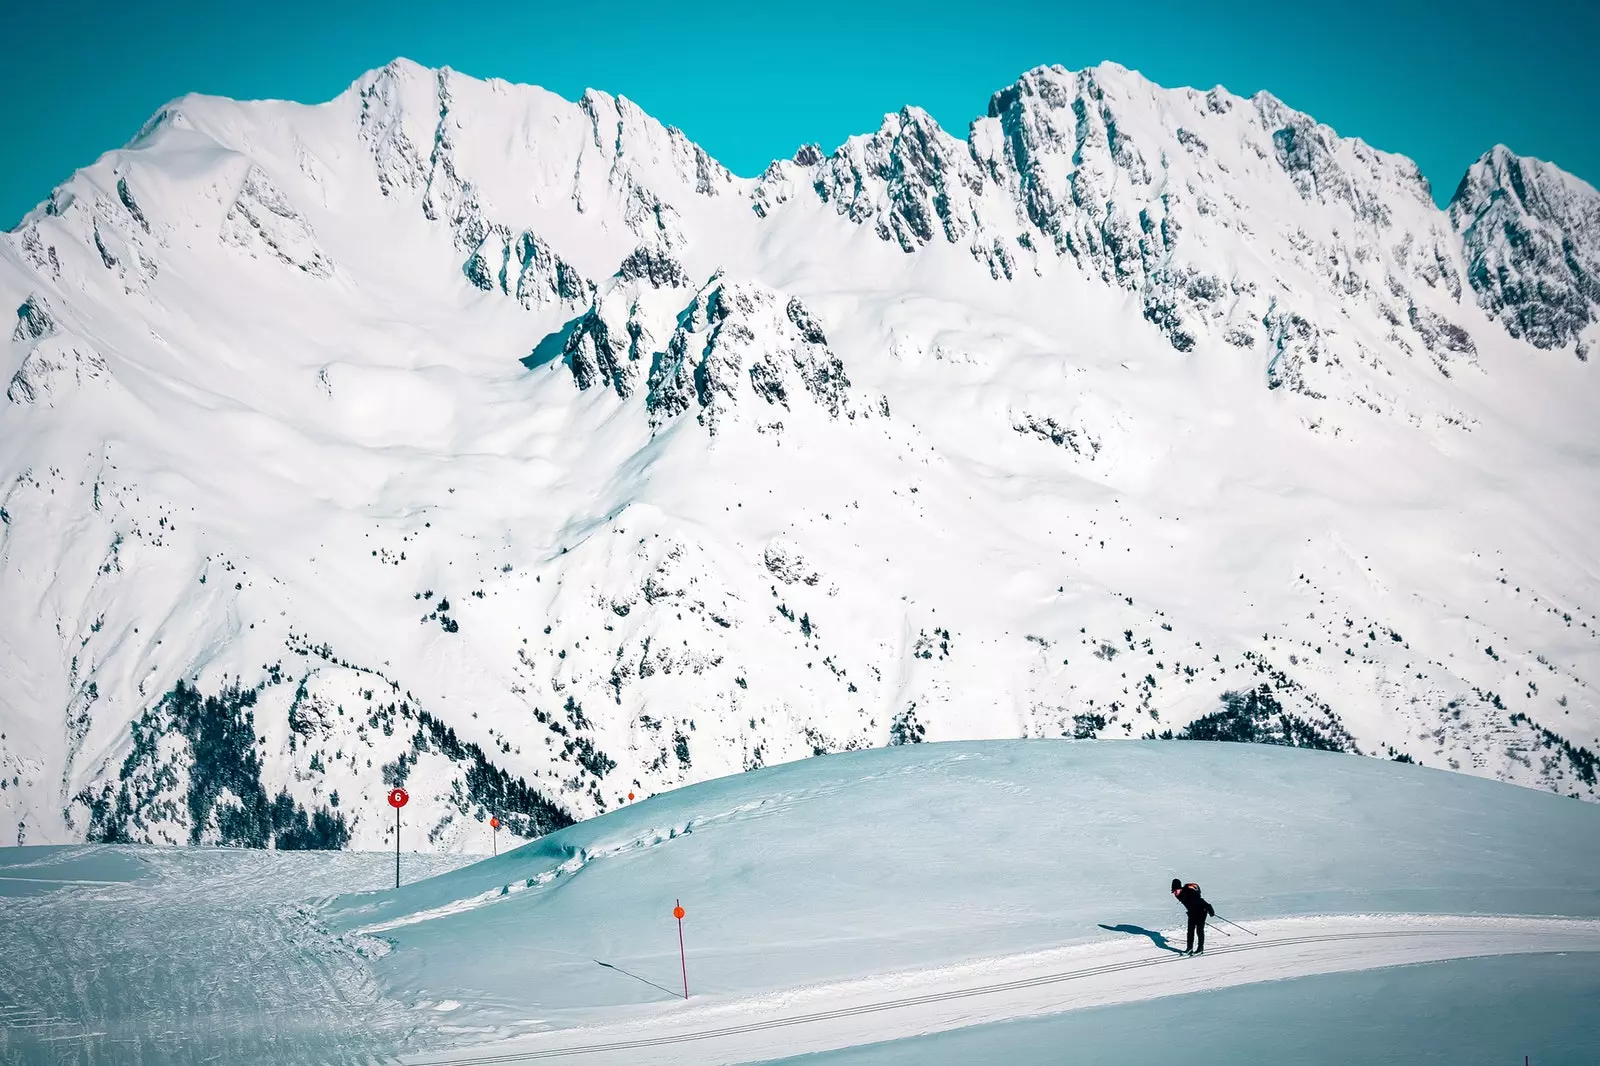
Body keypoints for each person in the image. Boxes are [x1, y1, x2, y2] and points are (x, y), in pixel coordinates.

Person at [1171, 878, 1215, 955]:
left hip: (1201, 913)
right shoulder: (1179, 895)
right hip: (1191, 913)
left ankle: (1200, 949)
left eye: (1176, 890)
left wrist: (1210, 910)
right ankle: (1189, 949)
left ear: (1180, 889)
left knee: (1199, 931)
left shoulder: (1190, 893)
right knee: (1190, 932)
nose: (1174, 893)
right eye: (1173, 891)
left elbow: (1202, 901)